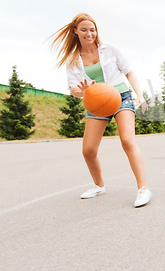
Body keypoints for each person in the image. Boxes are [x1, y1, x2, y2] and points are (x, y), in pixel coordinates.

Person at [49, 13, 152, 207]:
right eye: (84, 30)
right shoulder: (73, 60)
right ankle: (99, 185)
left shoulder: (110, 50)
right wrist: (83, 92)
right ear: (75, 32)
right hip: (97, 102)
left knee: (128, 140)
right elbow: (73, 89)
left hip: (121, 97)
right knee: (88, 150)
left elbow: (129, 71)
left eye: (92, 29)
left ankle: (143, 188)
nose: (89, 33)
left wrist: (139, 95)